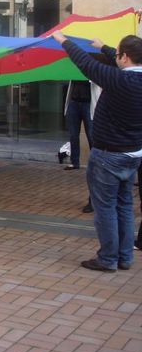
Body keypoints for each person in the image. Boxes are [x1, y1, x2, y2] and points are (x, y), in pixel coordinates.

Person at [52, 31, 142, 273]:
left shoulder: (117, 80)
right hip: (133, 155)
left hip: (108, 156)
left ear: (124, 57)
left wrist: (63, 40)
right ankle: (124, 257)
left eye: (119, 55)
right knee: (124, 206)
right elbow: (119, 59)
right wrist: (104, 47)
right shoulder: (127, 77)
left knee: (106, 208)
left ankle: (108, 258)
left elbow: (85, 62)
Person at [63, 80, 93, 170]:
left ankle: (95, 163)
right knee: (73, 135)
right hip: (74, 102)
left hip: (88, 103)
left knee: (91, 135)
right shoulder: (74, 71)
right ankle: (74, 162)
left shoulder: (90, 70)